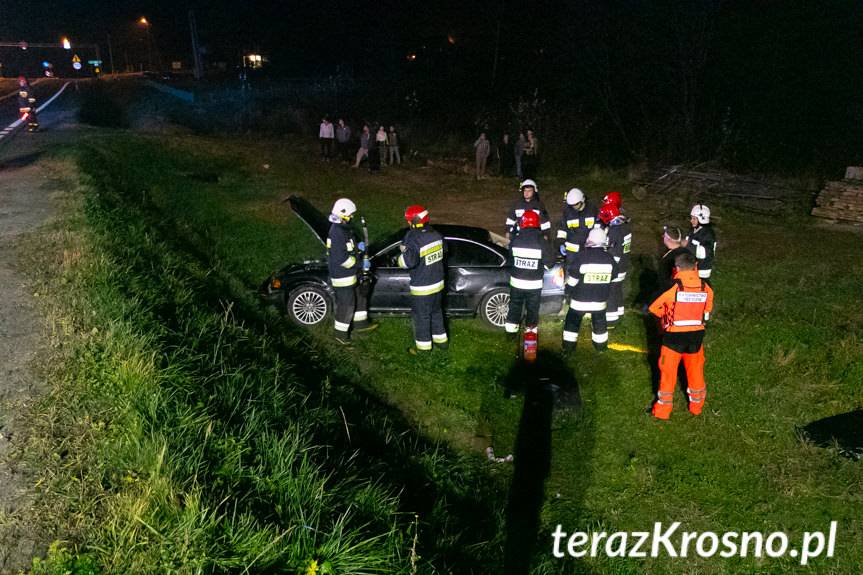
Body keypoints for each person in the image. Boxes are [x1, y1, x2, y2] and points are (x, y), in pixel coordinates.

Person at [648, 251, 714, 419]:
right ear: (696, 266)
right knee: (696, 372)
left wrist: (665, 317)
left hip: (673, 338)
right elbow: (707, 309)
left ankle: (663, 411)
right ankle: (697, 407)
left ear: (676, 268)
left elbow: (653, 307)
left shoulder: (672, 286)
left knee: (668, 374)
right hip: (696, 337)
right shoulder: (706, 286)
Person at [398, 205, 447, 353]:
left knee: (422, 317)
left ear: (412, 221)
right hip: (438, 284)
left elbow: (408, 263)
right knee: (437, 313)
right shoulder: (436, 234)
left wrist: (402, 255)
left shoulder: (413, 237)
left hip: (422, 287)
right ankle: (442, 342)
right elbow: (444, 251)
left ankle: (423, 349)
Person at [327, 198, 375, 343]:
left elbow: (348, 248)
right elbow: (342, 259)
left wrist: (357, 248)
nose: (352, 216)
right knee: (346, 305)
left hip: (350, 275)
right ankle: (340, 336)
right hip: (342, 277)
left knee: (359, 296)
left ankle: (360, 324)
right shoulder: (337, 232)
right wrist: (361, 264)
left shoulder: (343, 229)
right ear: (343, 214)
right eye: (351, 214)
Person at [562, 227, 616, 353]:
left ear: (589, 240)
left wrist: (567, 291)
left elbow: (573, 279)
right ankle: (601, 348)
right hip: (599, 301)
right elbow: (613, 277)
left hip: (579, 300)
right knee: (600, 323)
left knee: (572, 322)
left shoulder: (582, 257)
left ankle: (568, 348)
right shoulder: (609, 259)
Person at [505, 211, 554, 338]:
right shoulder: (542, 242)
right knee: (532, 309)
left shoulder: (515, 240)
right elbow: (550, 263)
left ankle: (510, 334)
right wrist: (540, 268)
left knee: (514, 307)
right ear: (537, 224)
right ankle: (530, 335)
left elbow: (510, 260)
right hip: (534, 285)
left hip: (516, 283)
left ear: (522, 223)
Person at [598, 202, 632, 326]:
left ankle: (610, 320)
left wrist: (610, 267)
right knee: (617, 289)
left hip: (616, 266)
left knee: (611, 291)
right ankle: (620, 312)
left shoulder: (615, 231)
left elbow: (615, 252)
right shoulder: (625, 227)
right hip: (623, 263)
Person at [556, 188, 599, 267]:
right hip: (572, 251)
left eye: (576, 204)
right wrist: (561, 243)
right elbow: (562, 229)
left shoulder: (592, 210)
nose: (574, 207)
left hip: (589, 249)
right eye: (571, 205)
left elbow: (598, 227)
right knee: (571, 270)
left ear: (582, 200)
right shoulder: (567, 212)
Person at [684, 204, 716, 282]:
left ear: (702, 219)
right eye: (691, 218)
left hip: (702, 271)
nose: (691, 220)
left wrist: (686, 245)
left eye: (694, 218)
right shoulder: (693, 230)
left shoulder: (708, 234)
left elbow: (704, 253)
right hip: (691, 268)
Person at [657, 226, 690, 295]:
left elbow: (668, 279)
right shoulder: (686, 252)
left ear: (669, 239)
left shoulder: (672, 258)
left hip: (672, 292)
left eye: (664, 236)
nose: (662, 237)